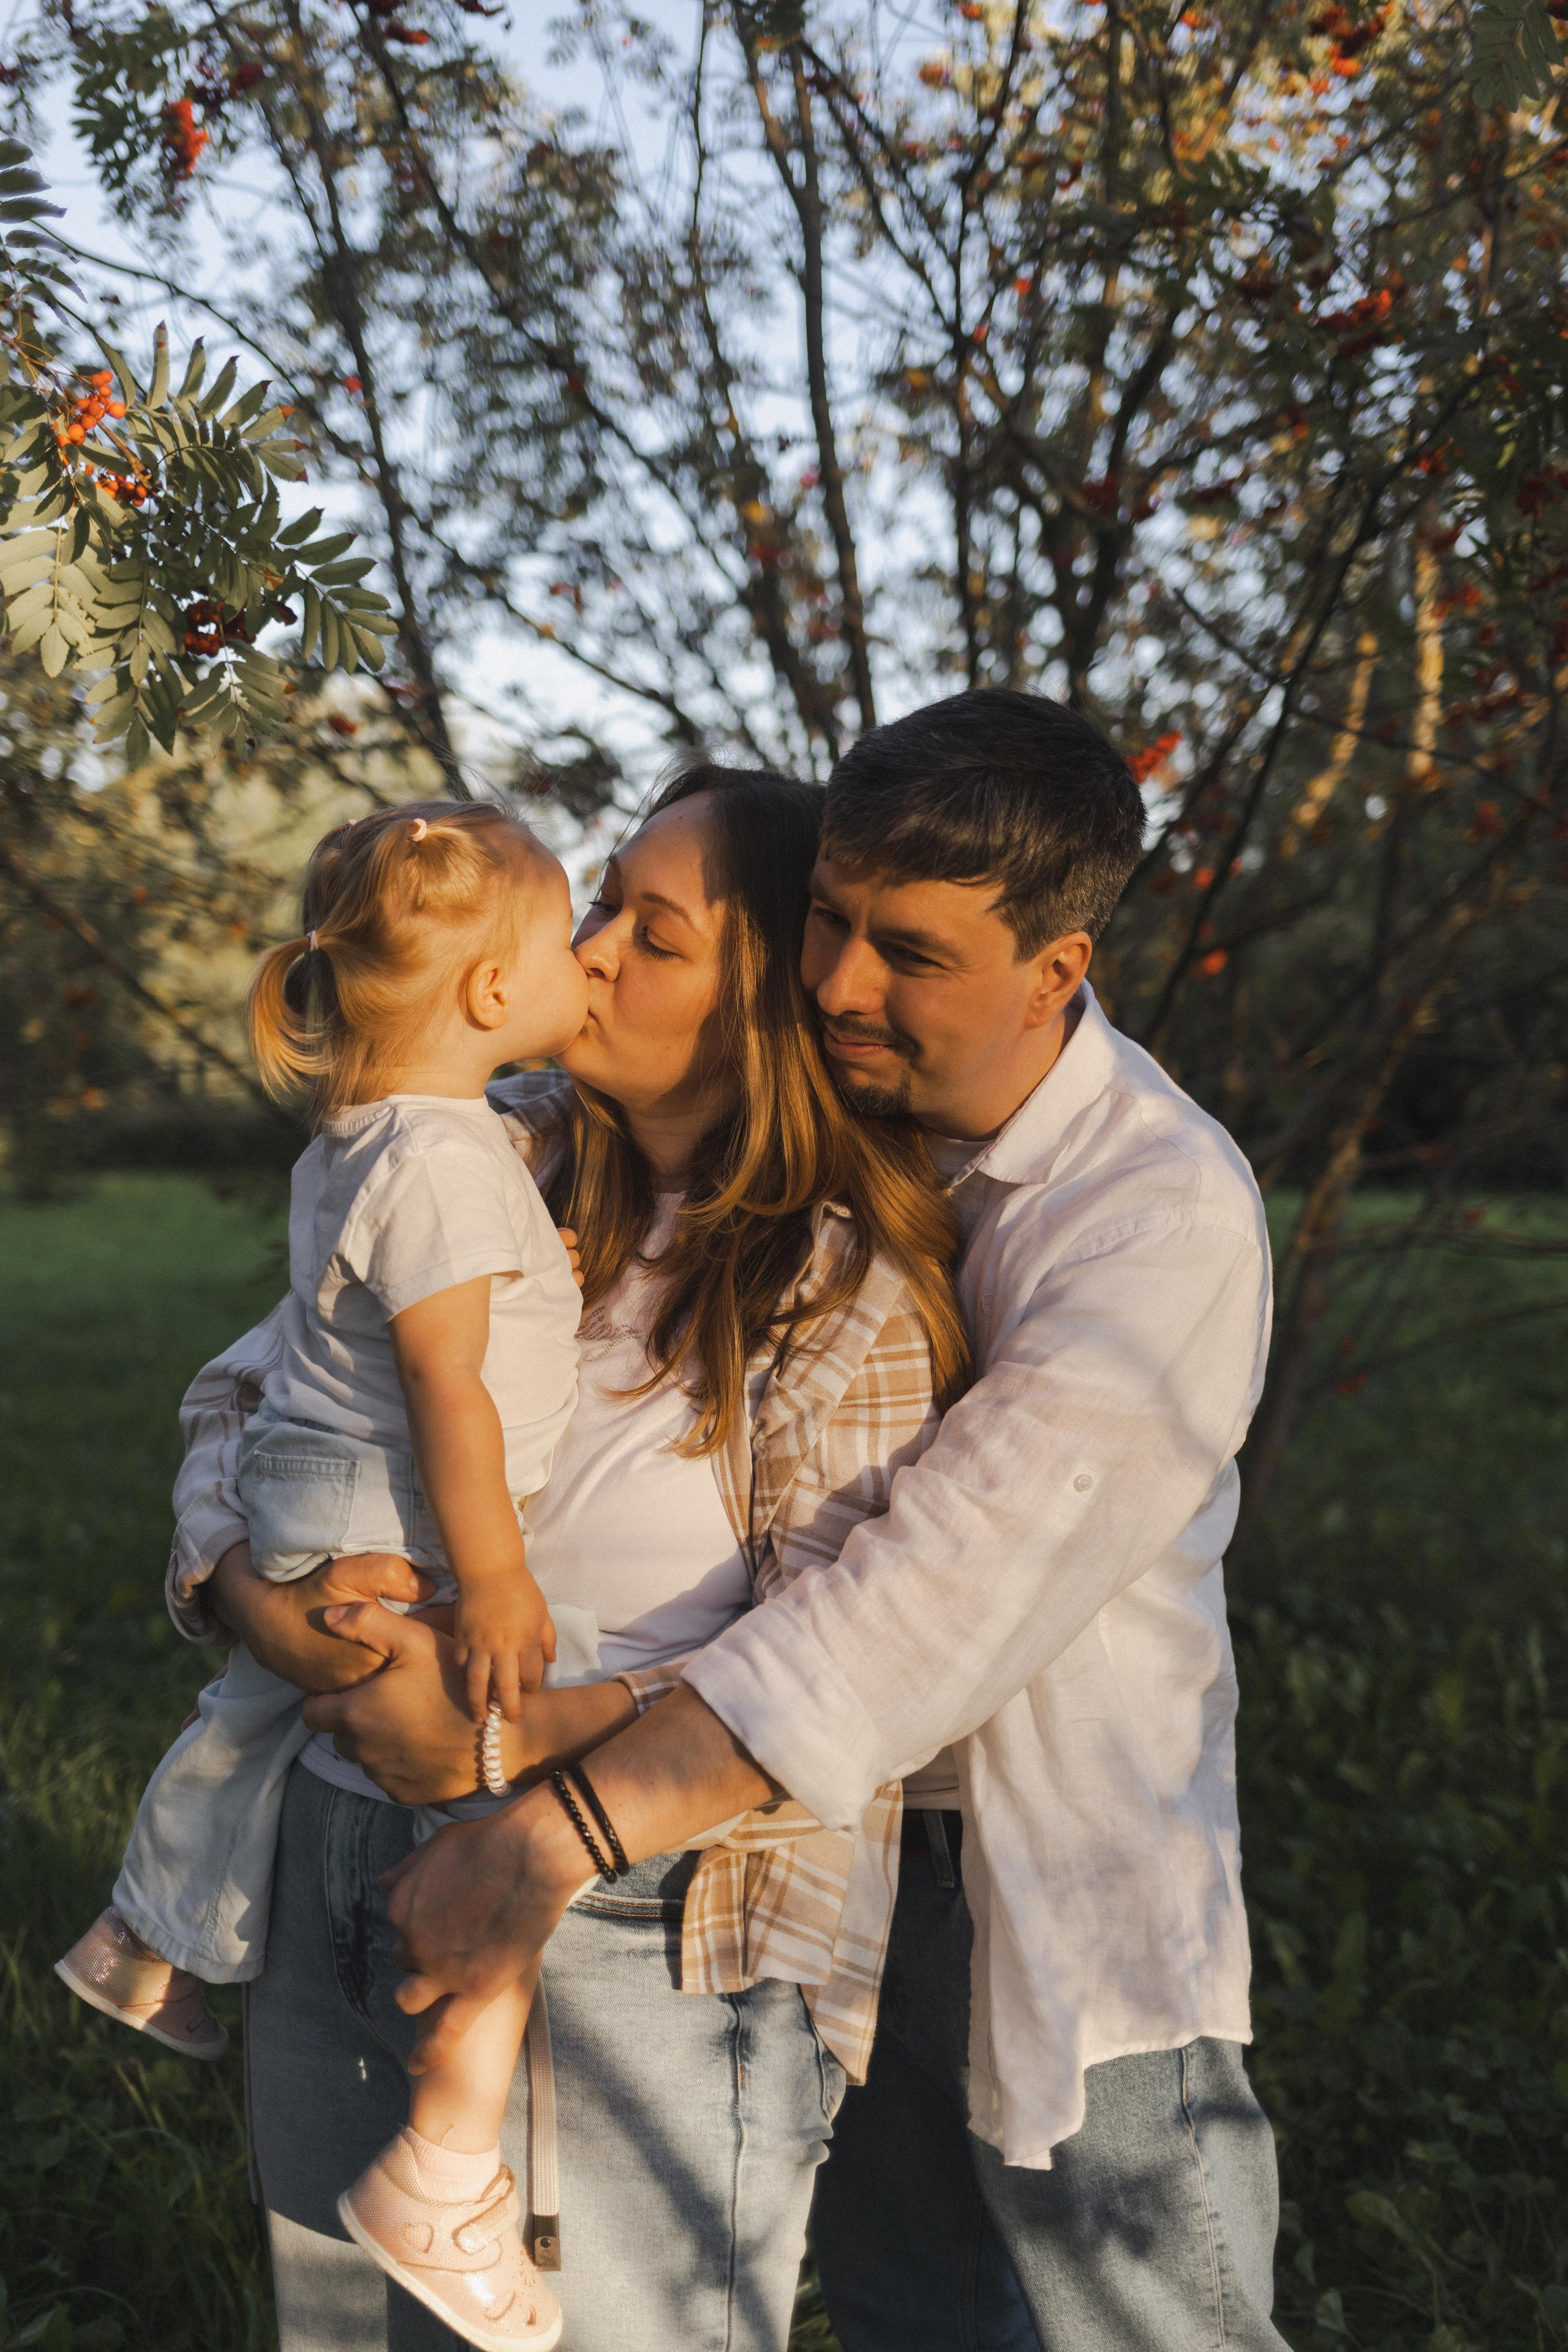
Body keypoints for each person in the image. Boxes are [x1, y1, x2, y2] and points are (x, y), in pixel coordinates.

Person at [352, 691, 1286, 2352]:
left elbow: (910, 1614)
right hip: (797, 1856)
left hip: (1052, 1865)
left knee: (1148, 2321)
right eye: (831, 927)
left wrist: (549, 1825)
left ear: (1056, 972)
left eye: (910, 954)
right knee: (904, 2310)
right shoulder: (802, 1127)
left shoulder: (1156, 1217)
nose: (842, 983)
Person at [156, 763, 970, 2352]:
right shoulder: (485, 1157)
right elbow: (238, 1396)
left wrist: (499, 1733)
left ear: (764, 1004)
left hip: (639, 1925)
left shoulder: (839, 1278)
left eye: (649, 934)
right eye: (597, 906)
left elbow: (853, 1665)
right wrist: (252, 1599)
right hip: (336, 1834)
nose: (588, 952)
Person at [59, 797, 589, 2352]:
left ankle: (144, 1934)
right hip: (396, 1513)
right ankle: (443, 2169)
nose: (587, 967)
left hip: (310, 1490)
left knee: (254, 1715)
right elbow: (451, 1392)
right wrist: (488, 1577)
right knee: (491, 1846)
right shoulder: (449, 1161)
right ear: (491, 993)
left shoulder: (378, 1134)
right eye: (566, 942)